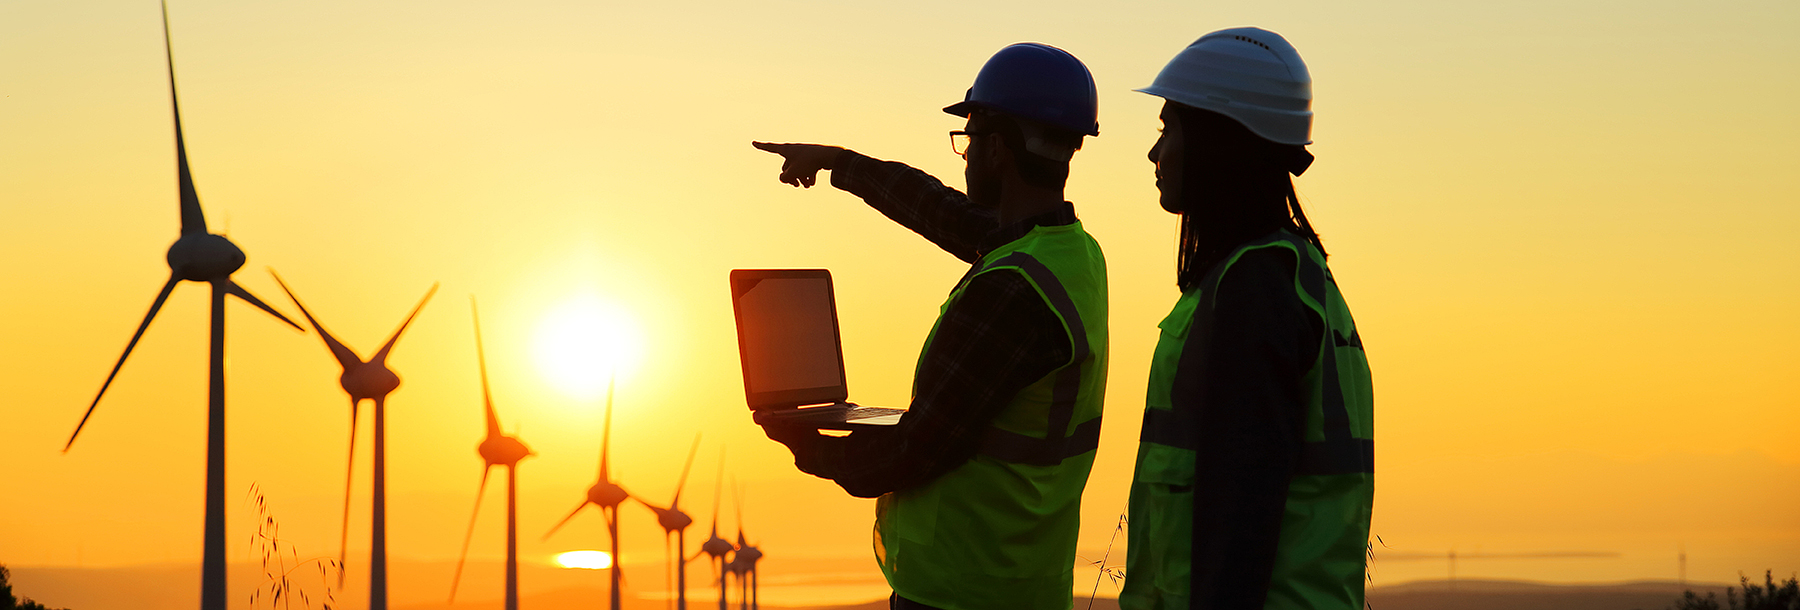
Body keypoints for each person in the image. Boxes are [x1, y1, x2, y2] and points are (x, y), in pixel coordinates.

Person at [751, 42, 1109, 610]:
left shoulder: (1009, 292)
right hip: (1023, 582)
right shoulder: (1072, 256)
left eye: (967, 140)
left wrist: (807, 444)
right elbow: (942, 211)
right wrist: (836, 162)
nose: (962, 157)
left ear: (995, 148)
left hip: (963, 591)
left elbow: (915, 451)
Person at [1117, 28, 1375, 610]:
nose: (1156, 153)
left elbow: (1239, 518)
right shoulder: (1293, 276)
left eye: (1168, 129)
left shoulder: (1253, 293)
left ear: (1218, 137)